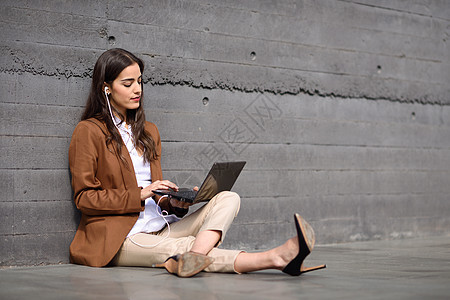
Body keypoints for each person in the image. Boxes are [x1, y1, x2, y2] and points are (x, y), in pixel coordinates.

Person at [69, 48, 326, 277]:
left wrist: (173, 202)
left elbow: (156, 197)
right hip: (120, 239)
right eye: (128, 83)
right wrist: (140, 193)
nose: (138, 89)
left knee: (228, 198)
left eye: (140, 81)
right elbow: (85, 198)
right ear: (106, 87)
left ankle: (192, 259)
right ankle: (276, 258)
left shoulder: (148, 132)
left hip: (160, 226)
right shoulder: (89, 131)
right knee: (181, 248)